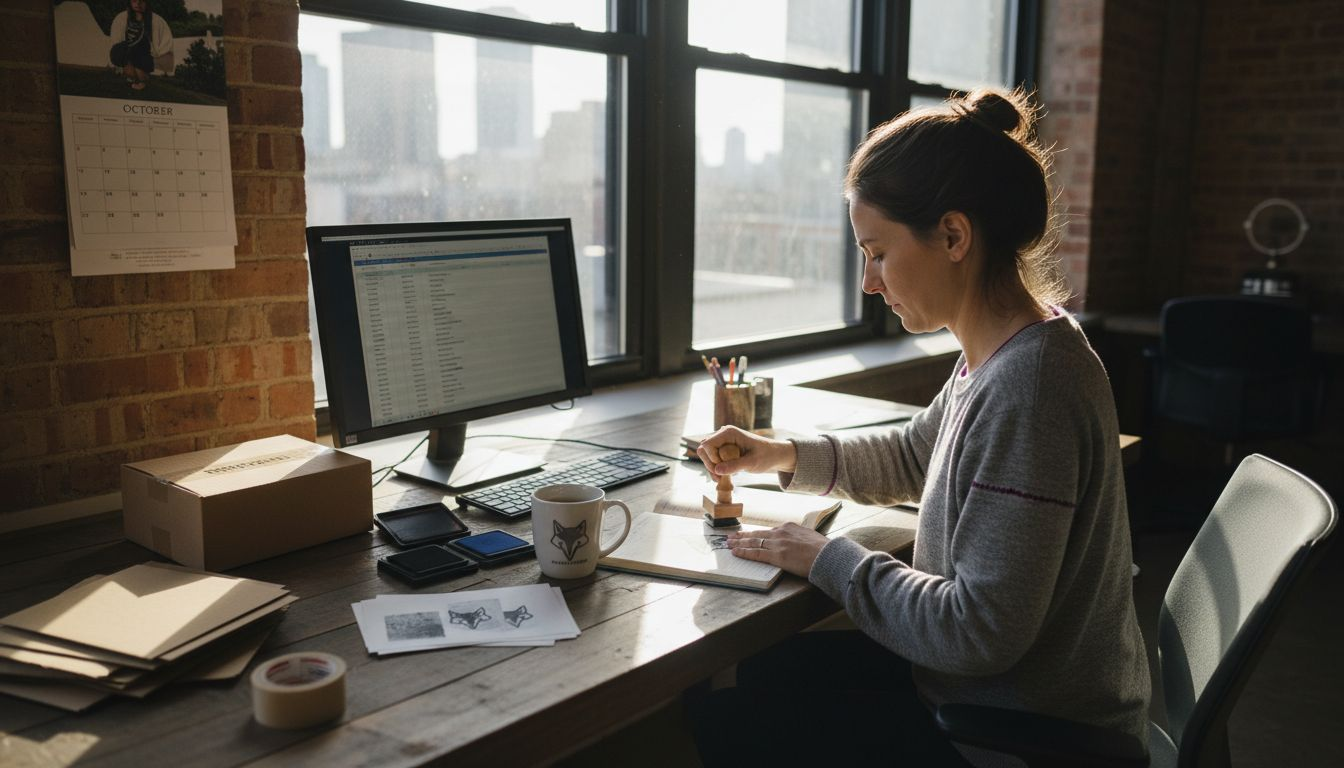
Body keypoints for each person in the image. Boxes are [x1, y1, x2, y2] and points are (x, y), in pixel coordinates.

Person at [692, 88, 1151, 767]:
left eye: (877, 253)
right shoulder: (1008, 348)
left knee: (726, 720)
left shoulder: (1030, 387)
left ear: (954, 236)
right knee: (761, 675)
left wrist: (827, 558)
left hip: (1015, 732)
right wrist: (779, 455)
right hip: (984, 694)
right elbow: (916, 455)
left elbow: (978, 630)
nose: (869, 284)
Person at [109, 0, 173, 91]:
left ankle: (142, 80)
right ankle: (132, 77)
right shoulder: (121, 18)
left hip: (143, 57)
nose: (138, 4)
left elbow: (164, 45)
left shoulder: (156, 21)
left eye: (142, 1)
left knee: (139, 56)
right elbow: (116, 41)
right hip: (128, 56)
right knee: (120, 51)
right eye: (134, 1)